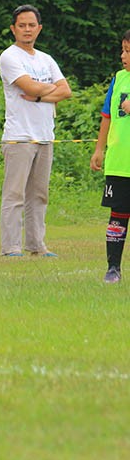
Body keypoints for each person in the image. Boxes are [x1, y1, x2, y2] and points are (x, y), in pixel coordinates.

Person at [0, 4, 72, 257]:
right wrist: (48, 89)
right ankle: (11, 247)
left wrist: (41, 95)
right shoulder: (9, 56)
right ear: (13, 28)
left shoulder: (45, 59)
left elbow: (66, 91)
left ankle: (36, 245)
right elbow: (27, 86)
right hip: (19, 136)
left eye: (31, 25)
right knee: (14, 194)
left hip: (45, 135)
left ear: (39, 28)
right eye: (22, 25)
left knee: (39, 195)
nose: (27, 30)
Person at [88, 30, 130, 284]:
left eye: (128, 51)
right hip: (119, 161)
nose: (123, 56)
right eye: (123, 50)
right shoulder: (119, 79)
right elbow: (107, 115)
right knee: (118, 215)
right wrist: (99, 149)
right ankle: (113, 268)